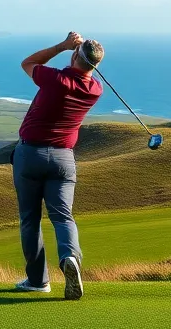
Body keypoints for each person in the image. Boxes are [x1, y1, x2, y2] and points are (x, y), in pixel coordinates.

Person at [12, 32, 104, 300]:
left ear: (76, 56)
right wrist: (82, 56)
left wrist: (63, 46)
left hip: (30, 154)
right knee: (63, 216)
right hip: (64, 160)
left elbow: (27, 62)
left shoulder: (56, 80)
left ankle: (37, 281)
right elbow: (86, 72)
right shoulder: (94, 89)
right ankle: (70, 257)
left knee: (30, 219)